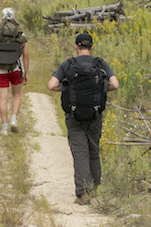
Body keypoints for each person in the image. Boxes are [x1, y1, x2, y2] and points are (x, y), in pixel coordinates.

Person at [48, 32, 119, 205]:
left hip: (74, 116)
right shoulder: (100, 63)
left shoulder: (68, 64)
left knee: (80, 152)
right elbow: (115, 84)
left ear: (75, 46)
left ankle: (83, 193)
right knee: (93, 150)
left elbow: (51, 85)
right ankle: (95, 188)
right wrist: (101, 88)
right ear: (92, 46)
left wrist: (66, 89)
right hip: (95, 114)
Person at [0, 7, 29, 135]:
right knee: (17, 95)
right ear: (14, 17)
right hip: (15, 68)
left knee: (2, 99)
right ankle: (13, 119)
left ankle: (4, 128)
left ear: (2, 18)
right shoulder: (20, 35)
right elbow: (25, 55)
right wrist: (26, 73)